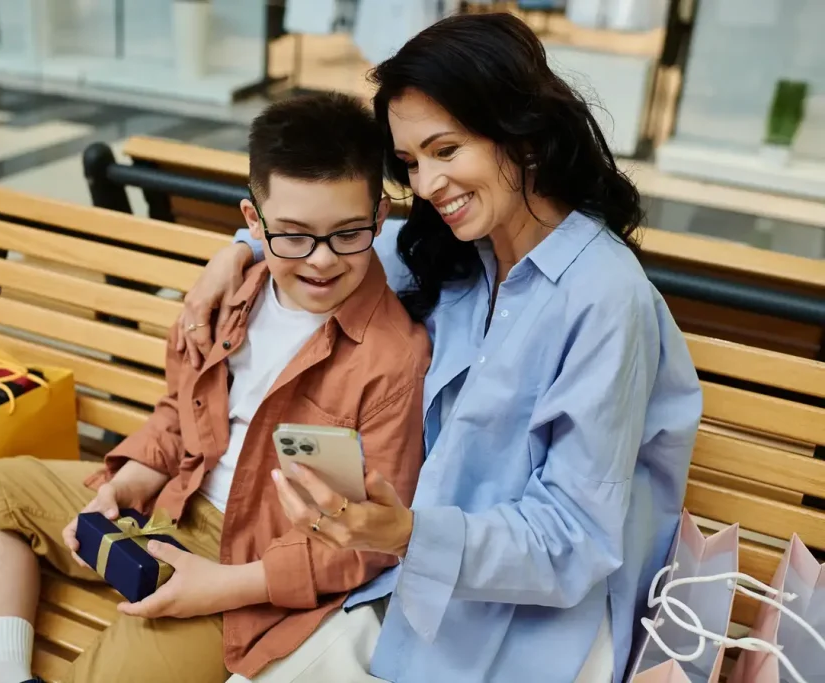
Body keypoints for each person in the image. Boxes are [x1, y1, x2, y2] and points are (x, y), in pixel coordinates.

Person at [175, 13, 703, 683]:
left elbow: (574, 539)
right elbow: (330, 242)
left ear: (524, 134)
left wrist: (407, 535)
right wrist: (237, 250)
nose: (424, 185)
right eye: (411, 162)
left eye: (445, 150)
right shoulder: (451, 251)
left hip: (521, 634)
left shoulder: (605, 299)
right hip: (393, 591)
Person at [0, 92, 431, 683]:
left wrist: (220, 589)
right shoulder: (233, 297)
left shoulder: (394, 358)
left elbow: (366, 543)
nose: (321, 261)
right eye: (294, 235)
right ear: (254, 223)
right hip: (170, 499)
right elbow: (180, 414)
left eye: (347, 234)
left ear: (379, 219)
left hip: (246, 568)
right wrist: (126, 485)